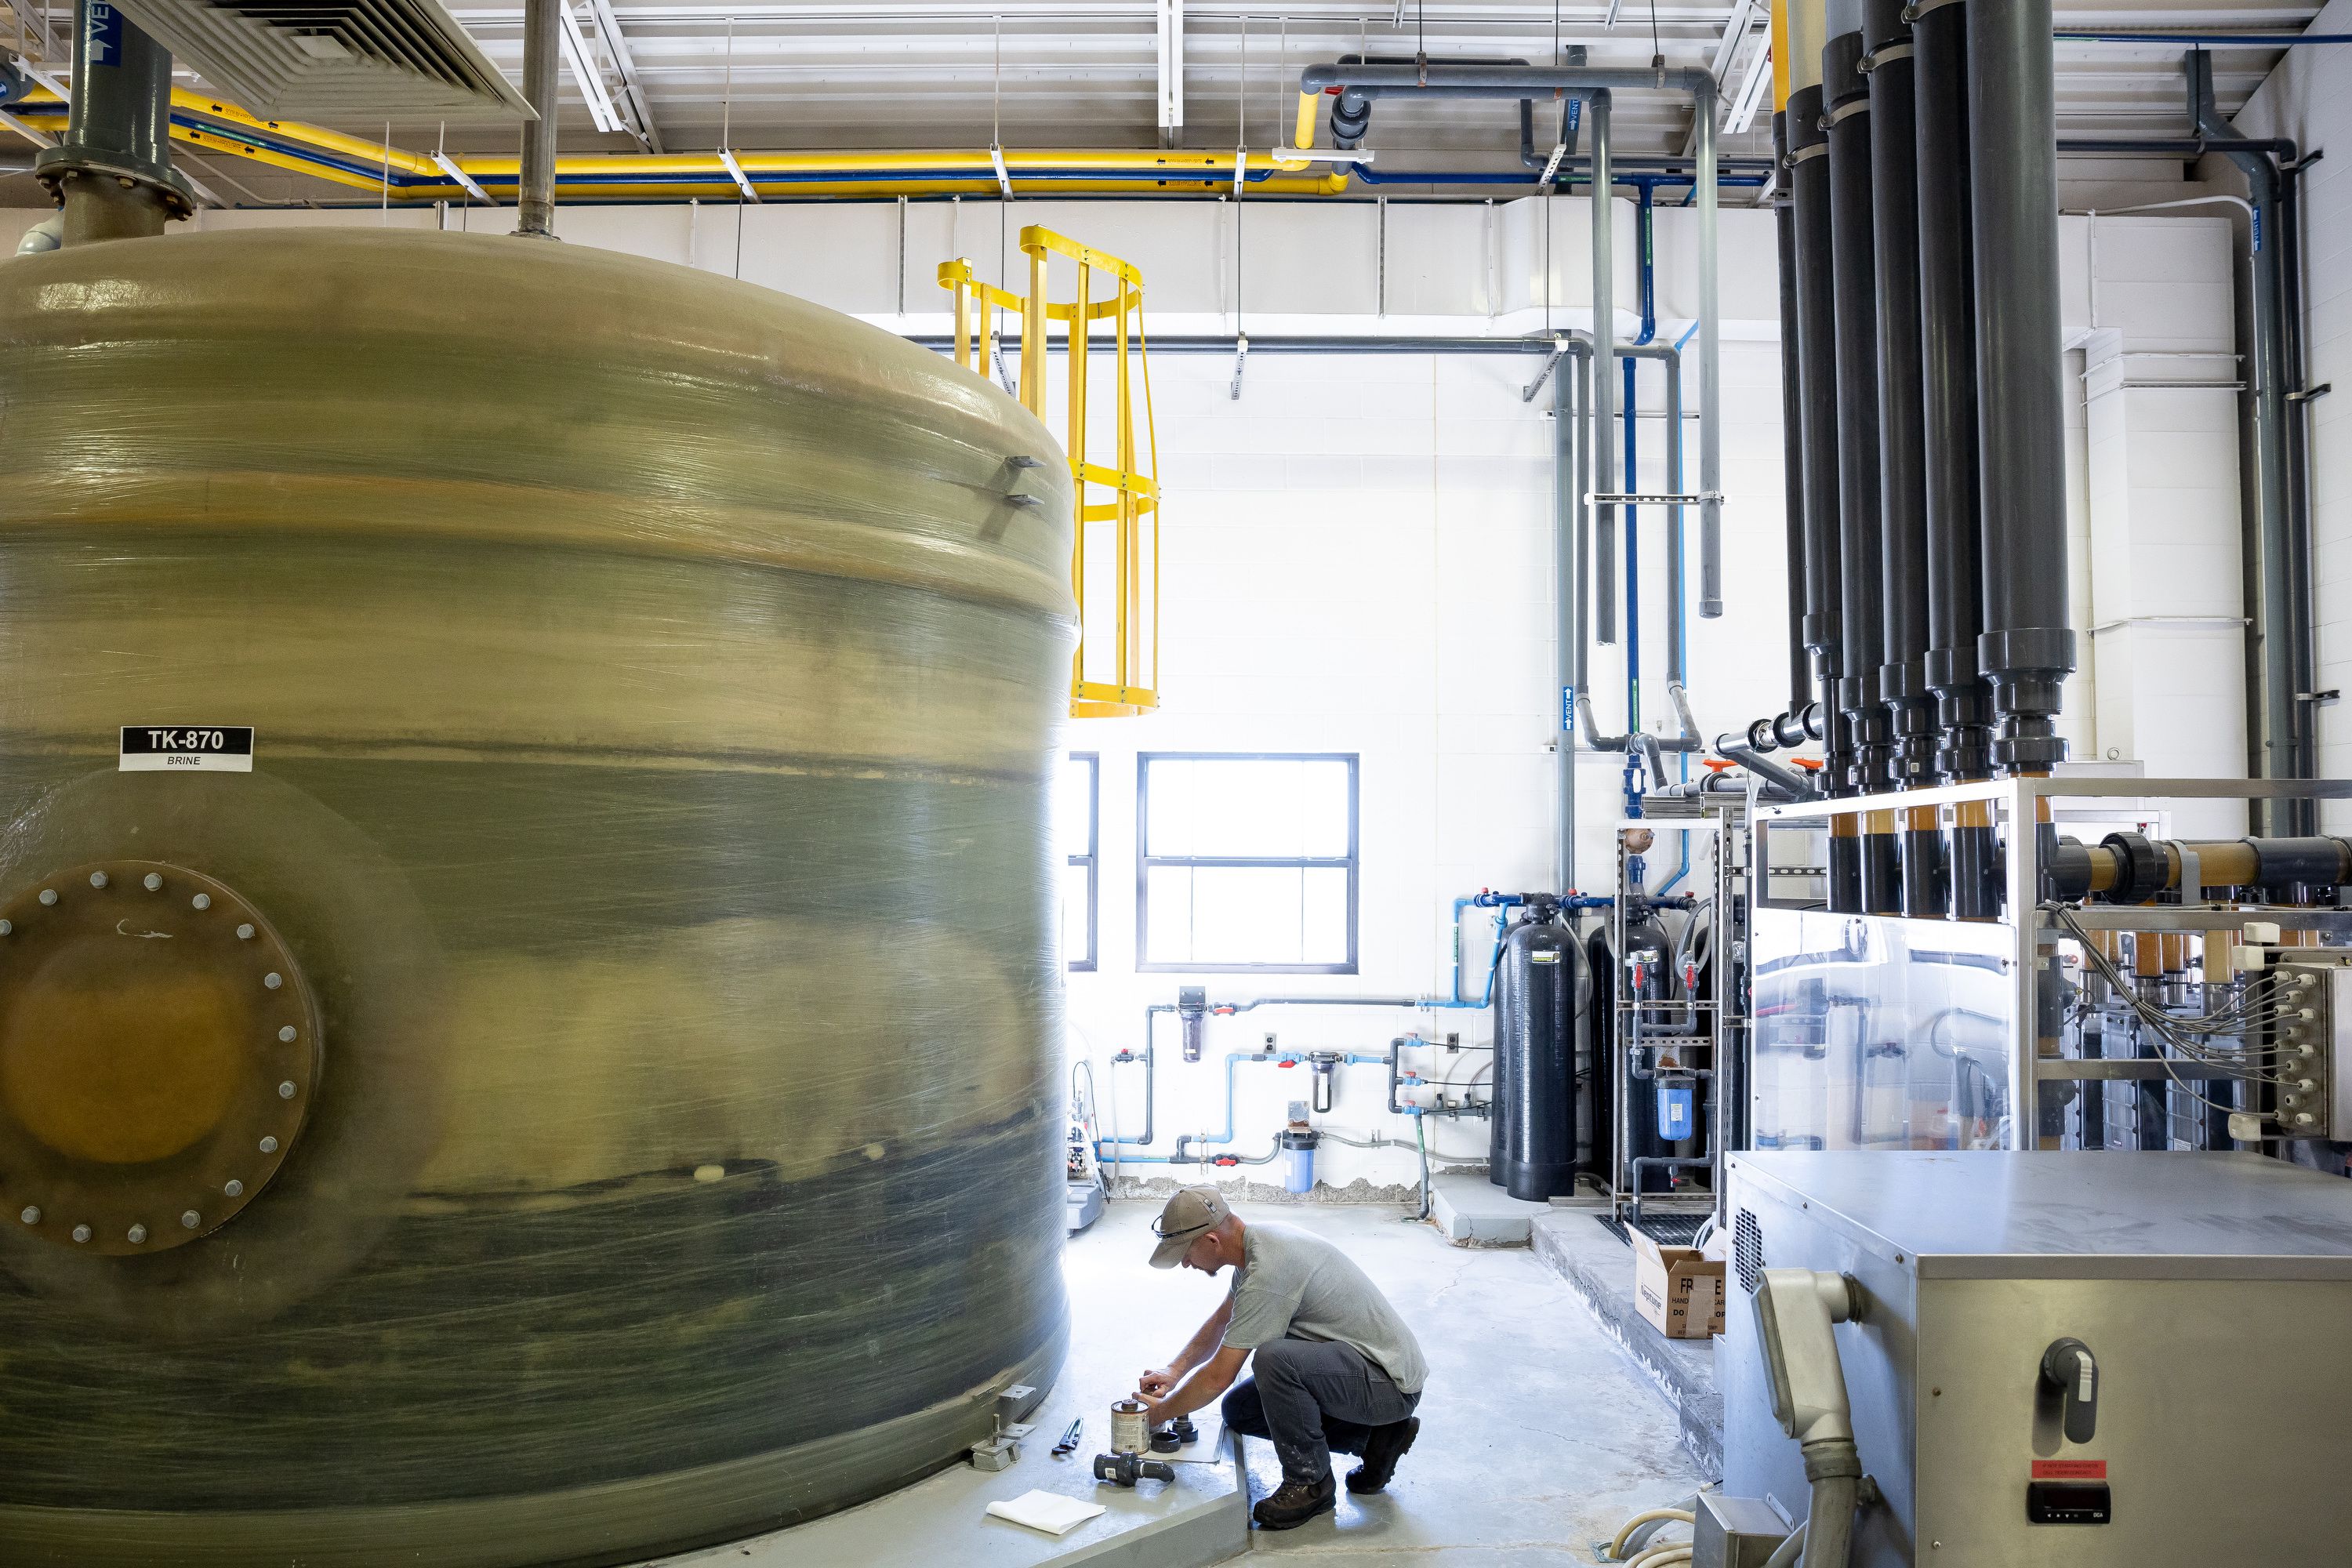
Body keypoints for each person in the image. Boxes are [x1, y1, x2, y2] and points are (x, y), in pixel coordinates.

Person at [1134, 1185, 1427, 1530]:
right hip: (1363, 1370)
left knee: (1275, 1360)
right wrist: (1175, 1370)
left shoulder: (1268, 1272)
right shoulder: (1256, 1246)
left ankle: (1311, 1484)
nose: (1185, 1263)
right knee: (1241, 1410)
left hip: (1388, 1383)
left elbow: (1218, 1375)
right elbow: (1223, 1320)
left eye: (1185, 1253)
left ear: (1212, 1241)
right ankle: (1376, 1438)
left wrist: (1159, 1414)